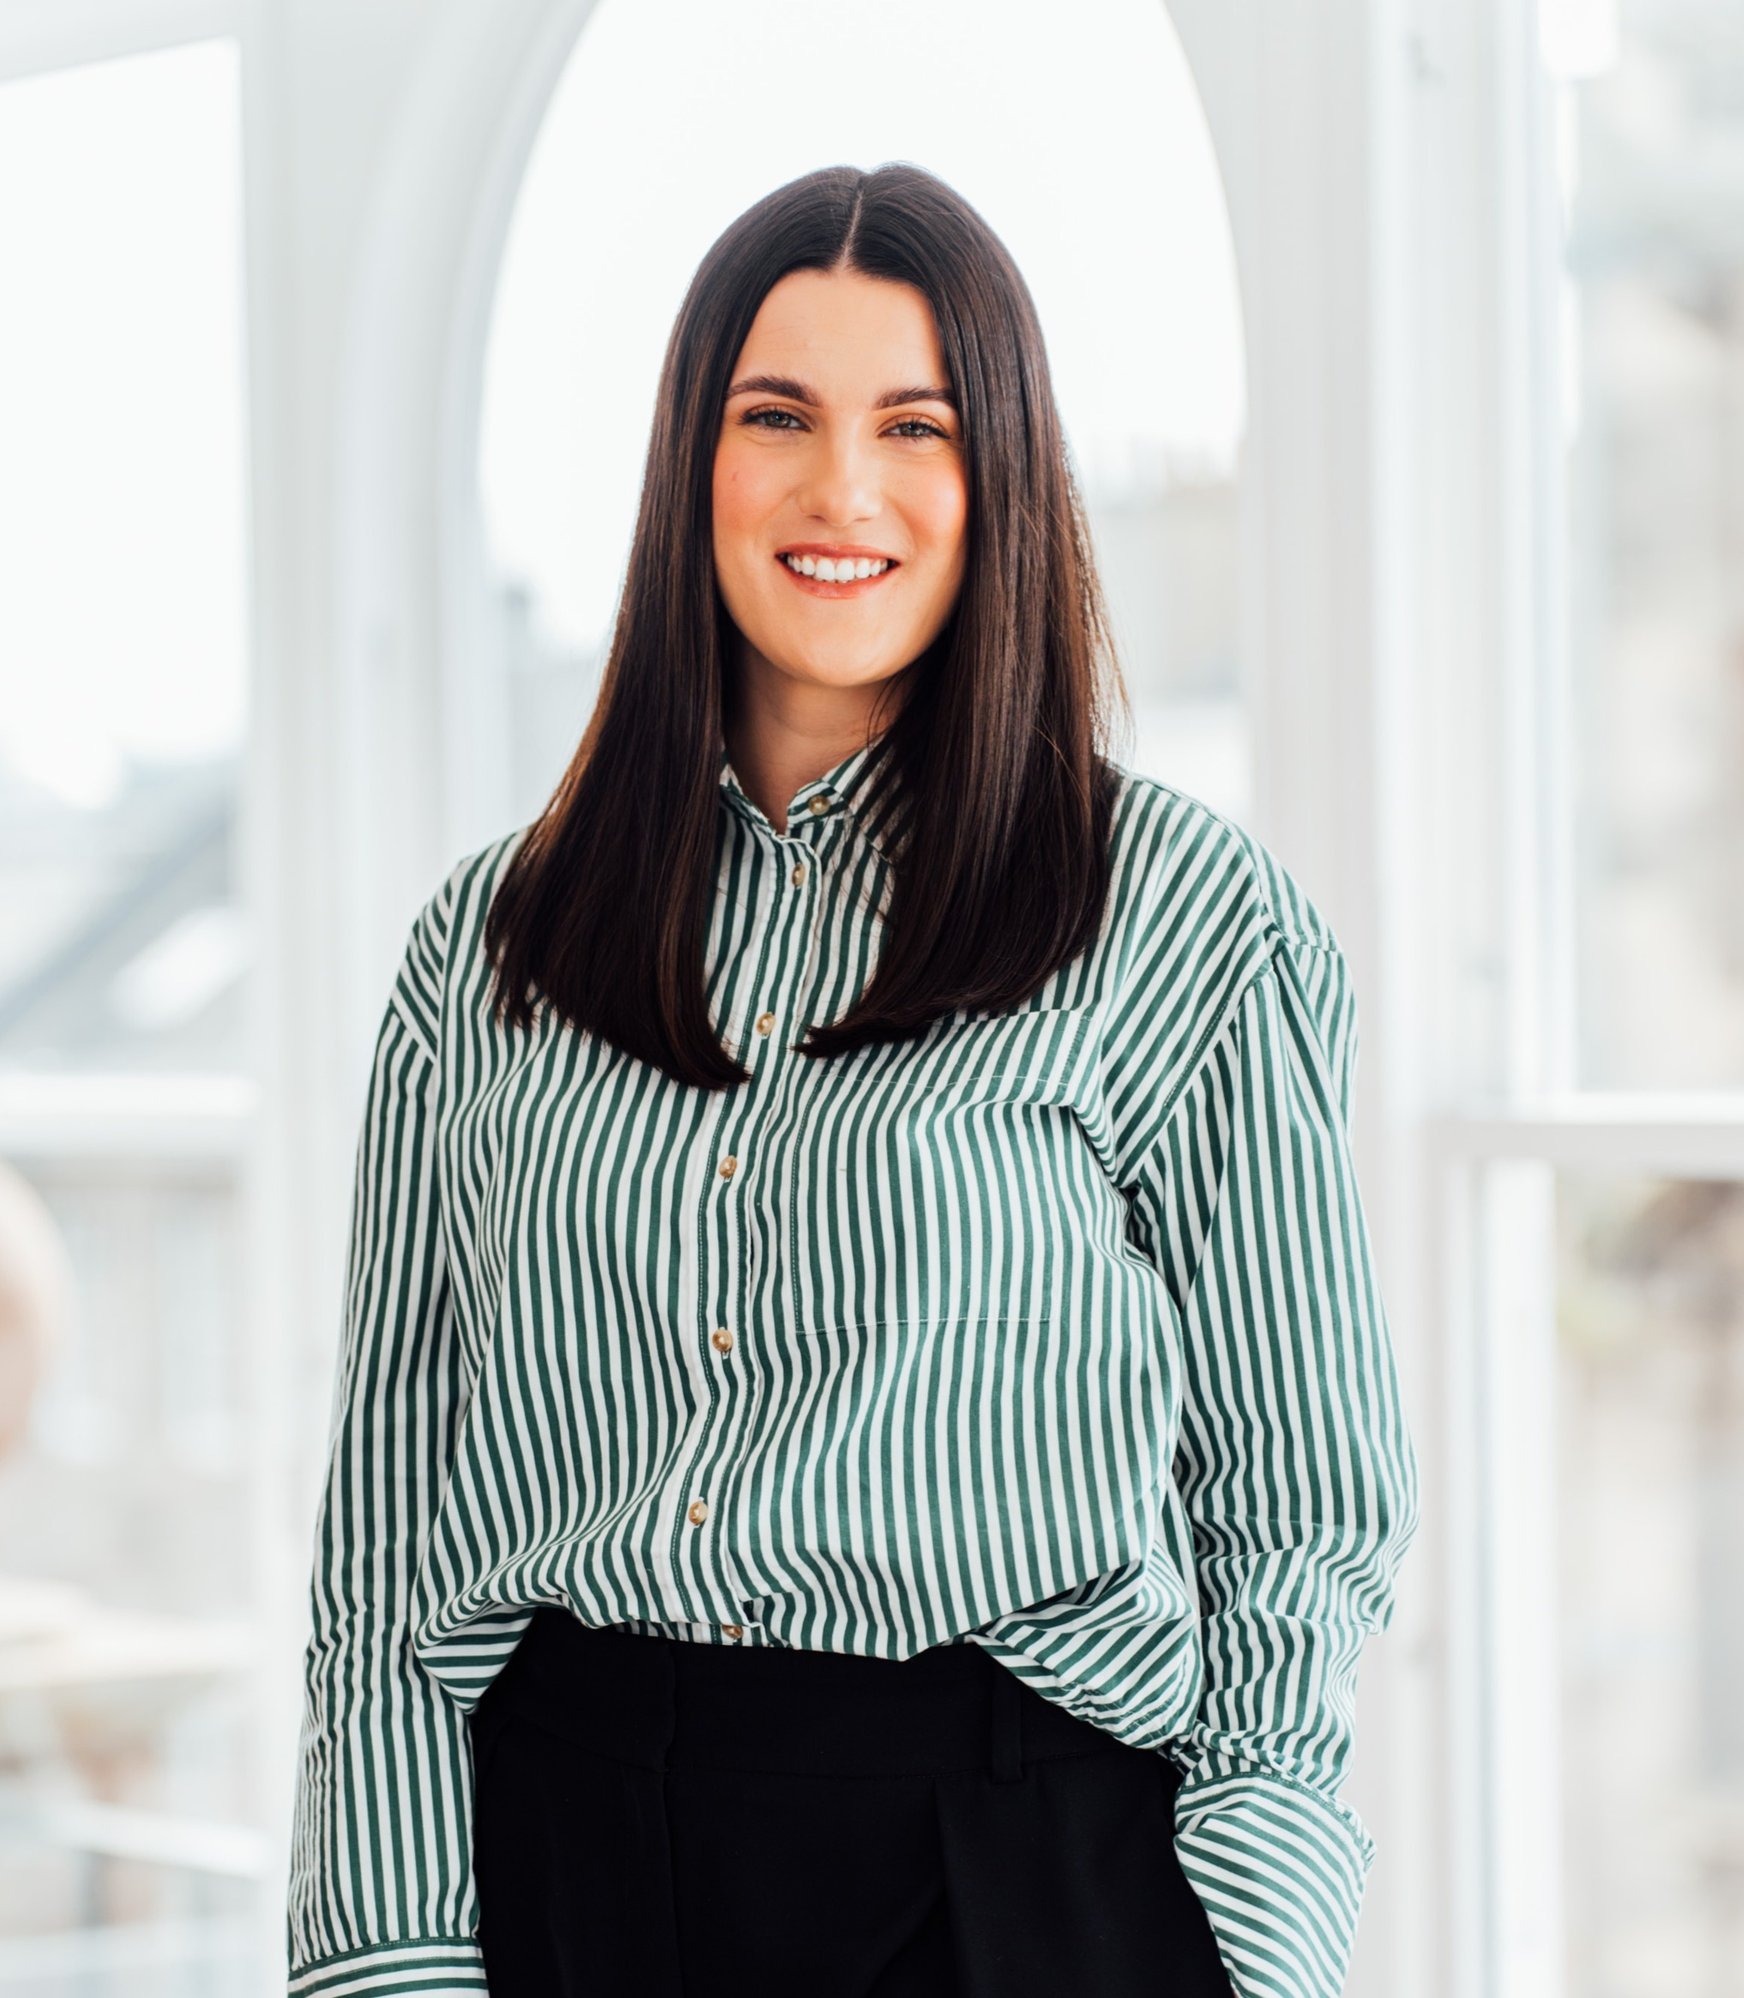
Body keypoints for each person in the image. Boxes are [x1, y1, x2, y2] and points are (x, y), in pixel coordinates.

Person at [285, 161, 1421, 1998]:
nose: (843, 490)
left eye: (917, 425)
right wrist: (386, 1947)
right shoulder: (492, 943)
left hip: (1019, 1864)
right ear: (692, 463)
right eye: (777, 417)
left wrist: (1254, 1927)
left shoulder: (1182, 916)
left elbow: (1305, 1491)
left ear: (1004, 477)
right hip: (574, 1847)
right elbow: (392, 1526)